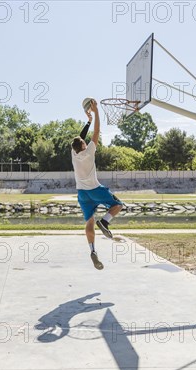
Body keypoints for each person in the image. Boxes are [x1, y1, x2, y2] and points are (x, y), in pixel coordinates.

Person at [71, 99, 124, 270]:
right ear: (84, 145)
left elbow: (81, 137)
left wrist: (88, 120)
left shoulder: (74, 153)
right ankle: (106, 222)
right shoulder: (90, 151)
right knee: (118, 204)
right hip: (94, 189)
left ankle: (93, 250)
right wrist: (96, 113)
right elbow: (96, 132)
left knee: (89, 221)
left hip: (82, 194)